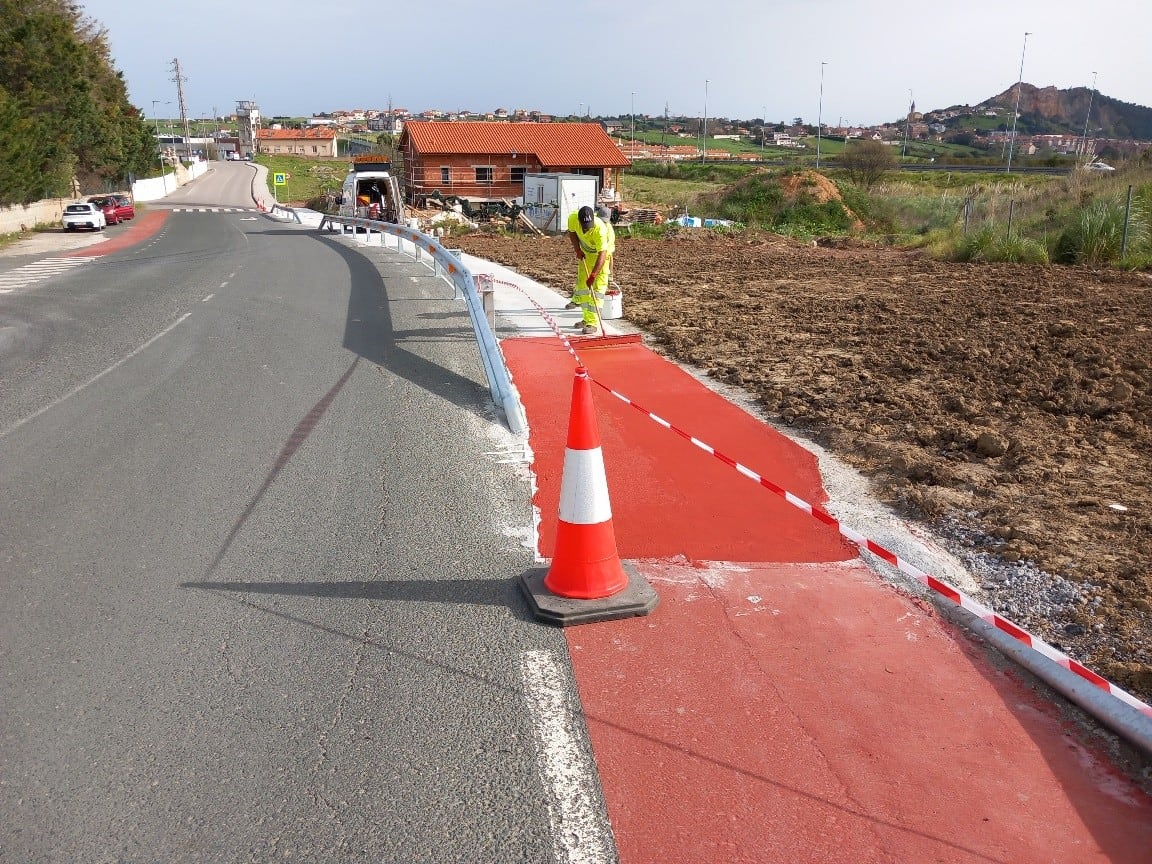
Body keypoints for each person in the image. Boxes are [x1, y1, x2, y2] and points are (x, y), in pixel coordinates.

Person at [566, 205, 614, 334]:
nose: (587, 230)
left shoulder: (600, 229)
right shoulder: (573, 218)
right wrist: (577, 249)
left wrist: (593, 274)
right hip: (586, 255)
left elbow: (603, 254)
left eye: (589, 226)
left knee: (597, 290)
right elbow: (572, 232)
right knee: (582, 289)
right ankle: (587, 319)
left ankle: (592, 324)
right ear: (580, 221)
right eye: (585, 227)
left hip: (601, 258)